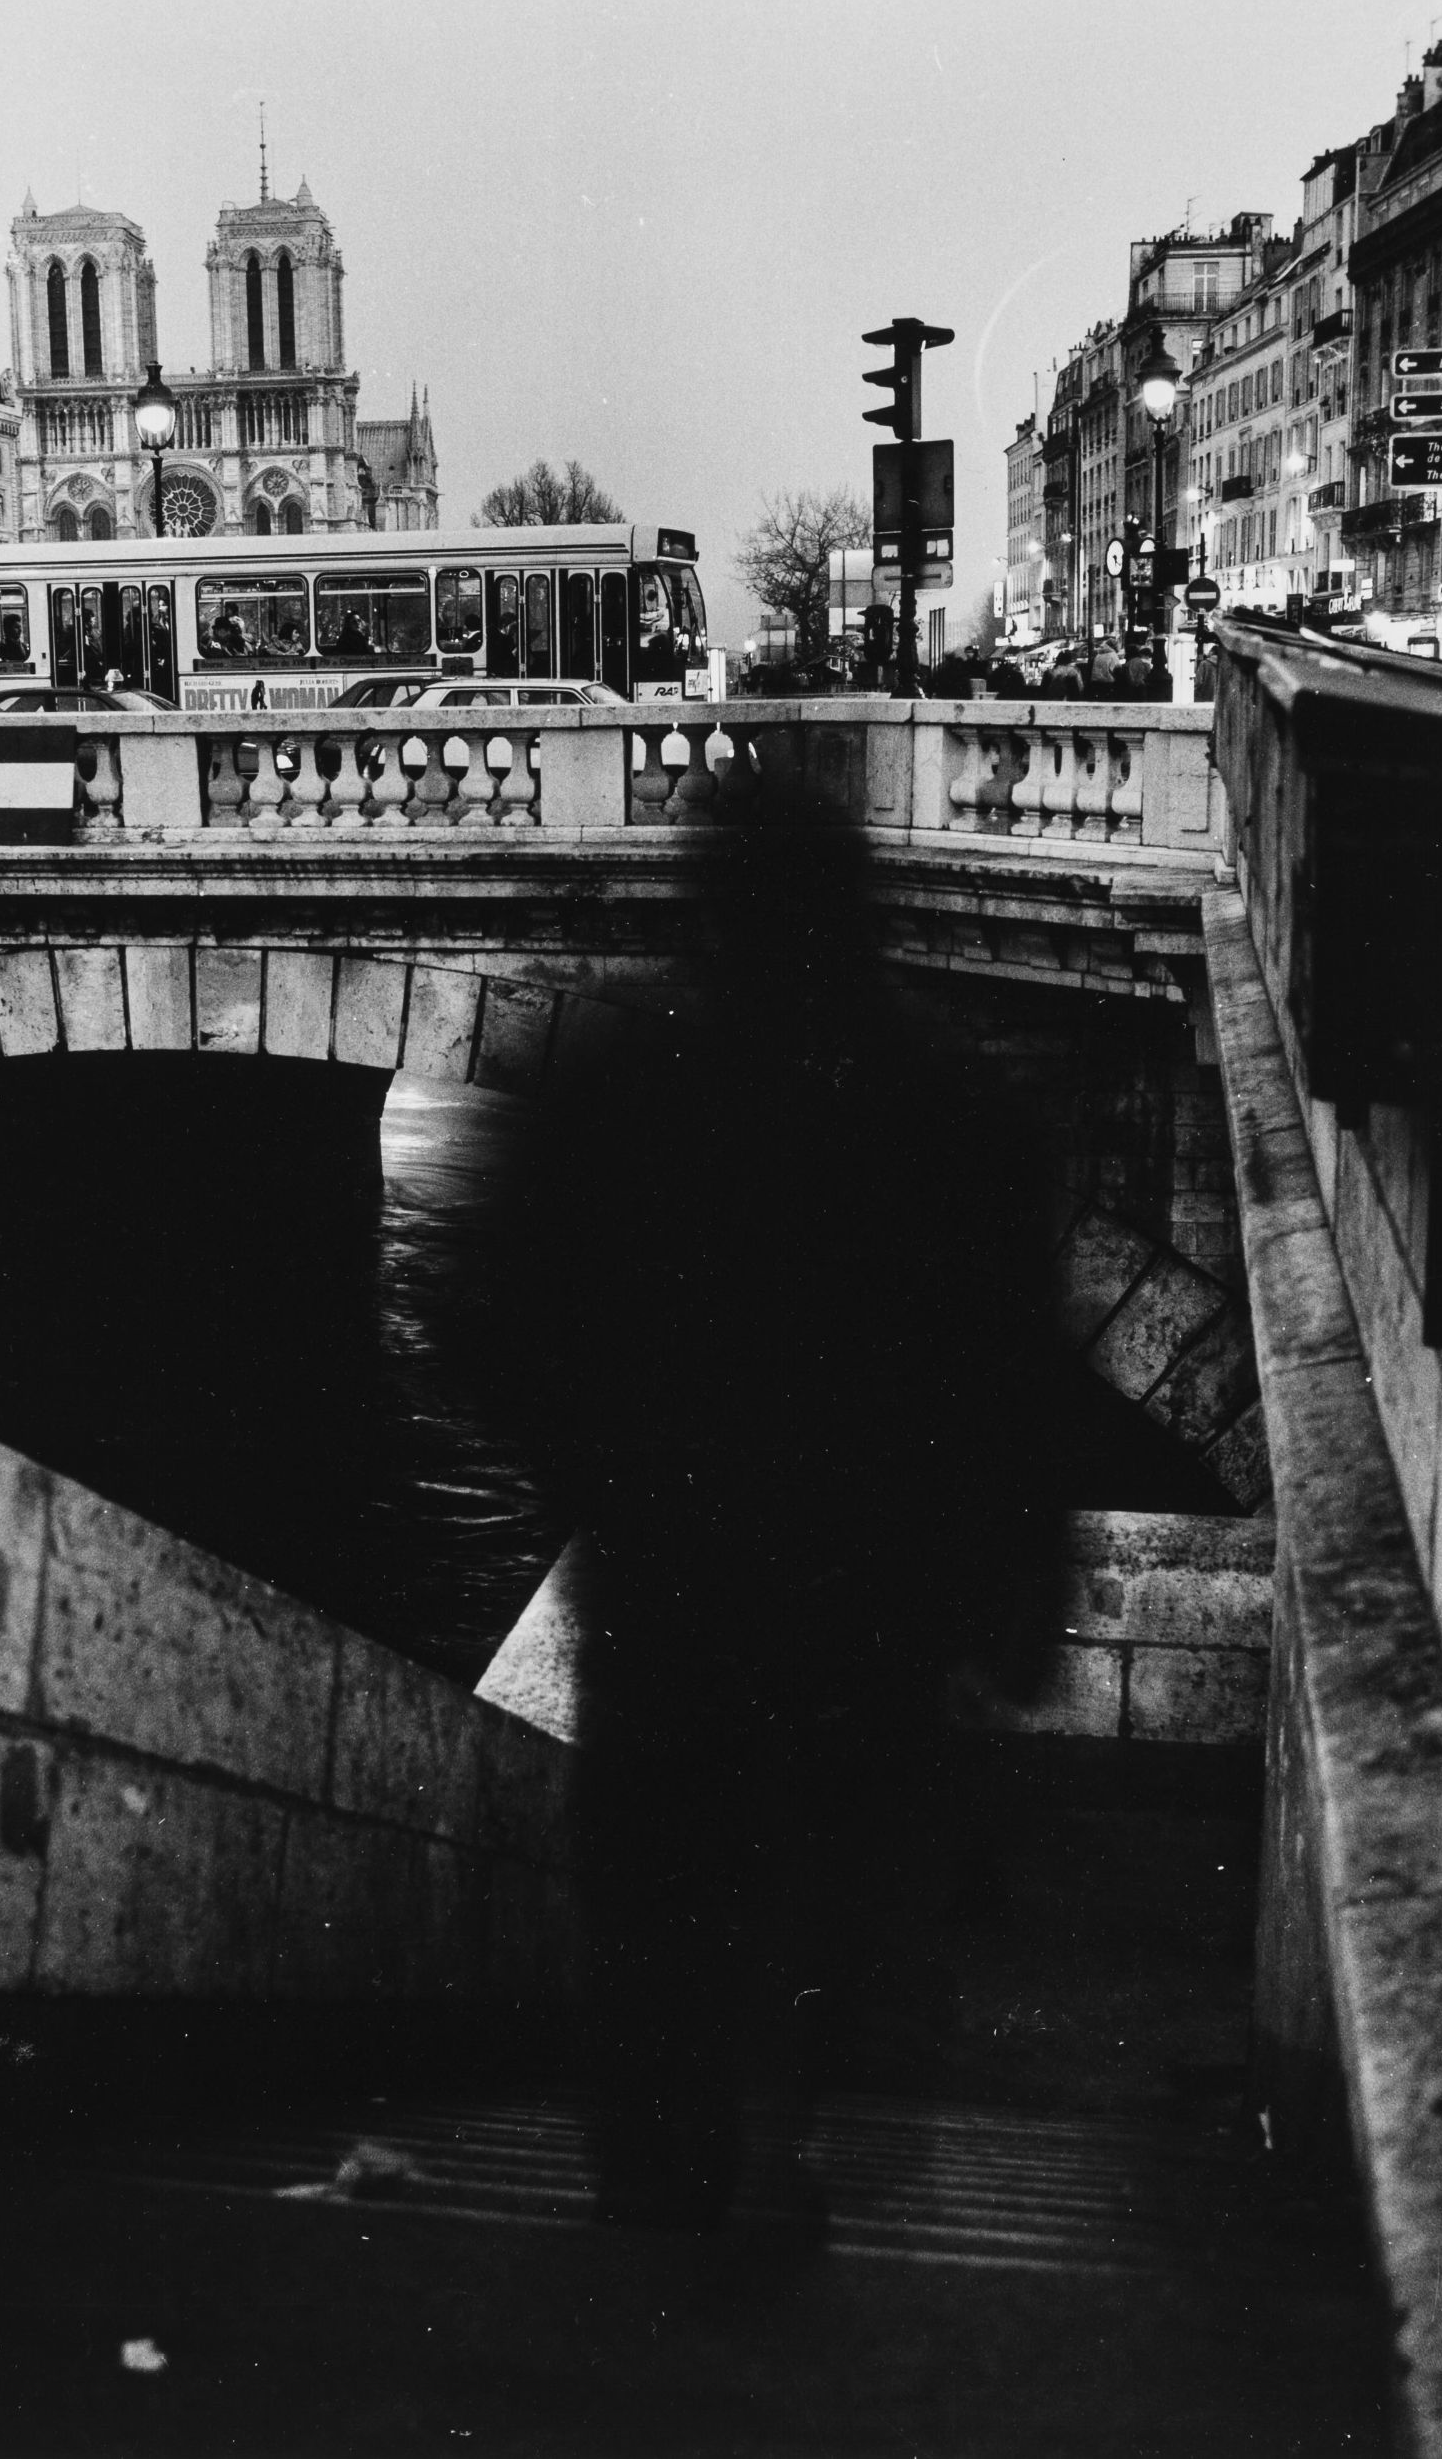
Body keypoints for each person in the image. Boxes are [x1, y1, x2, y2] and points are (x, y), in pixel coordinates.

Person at [494, 800, 1064, 2237]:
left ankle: (661, 2174)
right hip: (865, 1606)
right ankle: (776, 2146)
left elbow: (503, 1317)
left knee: (660, 1886)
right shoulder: (953, 1106)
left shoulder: (624, 1078)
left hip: (669, 1590)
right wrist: (1015, 1596)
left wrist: (598, 1488)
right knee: (831, 1882)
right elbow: (1011, 1379)